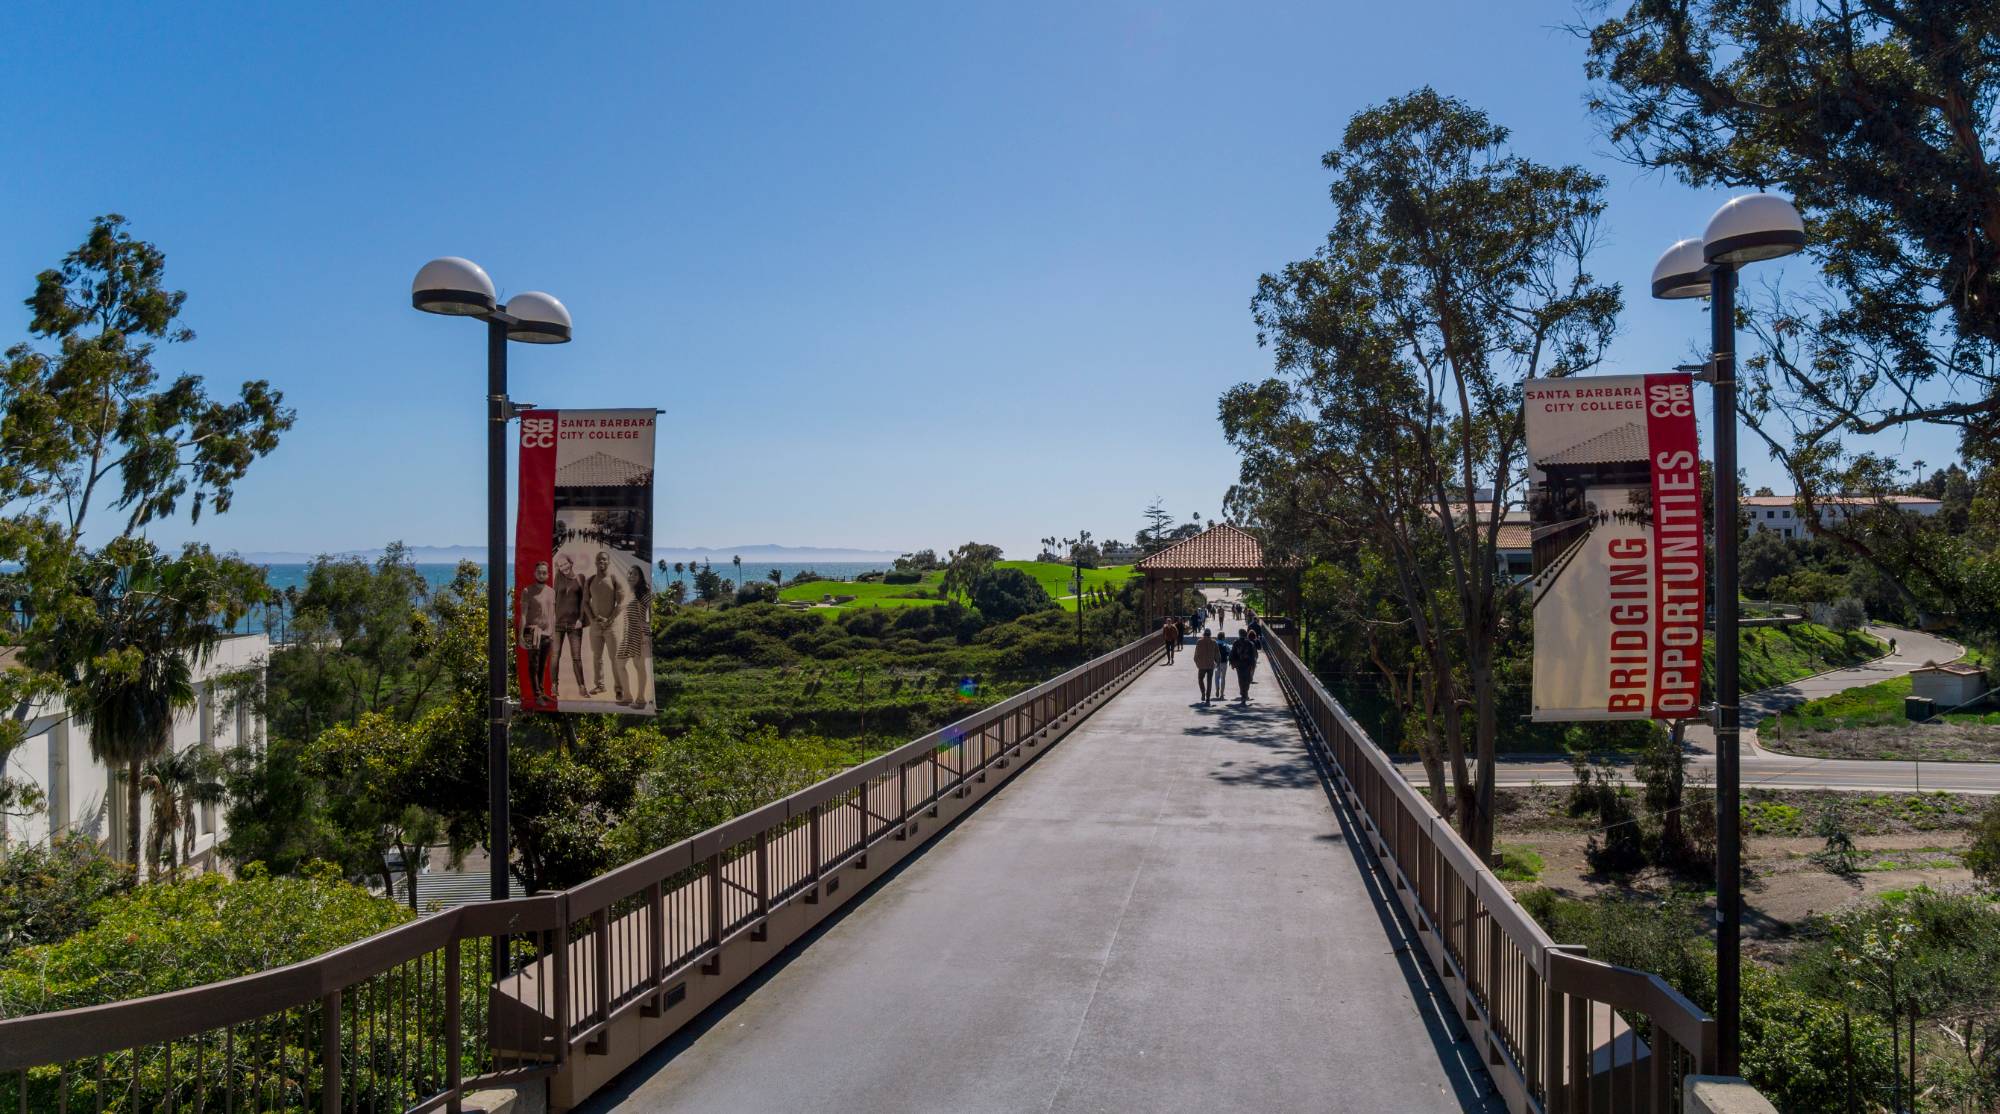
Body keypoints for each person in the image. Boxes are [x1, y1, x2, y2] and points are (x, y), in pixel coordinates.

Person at [584, 550, 629, 702]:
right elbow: (585, 602)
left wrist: (609, 620)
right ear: (595, 562)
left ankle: (619, 689)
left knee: (614, 658)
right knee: (597, 657)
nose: (601, 562)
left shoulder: (614, 579)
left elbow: (621, 603)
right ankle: (600, 685)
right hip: (596, 626)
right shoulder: (590, 580)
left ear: (608, 562)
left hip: (611, 626)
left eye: (604, 560)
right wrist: (592, 619)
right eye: (599, 560)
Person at [517, 561, 556, 704]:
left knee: (543, 665)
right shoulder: (528, 591)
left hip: (548, 634)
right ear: (535, 573)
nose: (542, 574)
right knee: (533, 664)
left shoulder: (552, 592)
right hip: (532, 632)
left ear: (548, 574)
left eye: (544, 572)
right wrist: (521, 635)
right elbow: (523, 614)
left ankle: (542, 691)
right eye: (539, 572)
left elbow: (552, 614)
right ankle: (537, 694)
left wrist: (553, 633)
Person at [551, 554, 587, 699]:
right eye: (560, 566)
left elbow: (584, 601)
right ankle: (554, 686)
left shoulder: (580, 578)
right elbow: (554, 599)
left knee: (576, 657)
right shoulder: (557, 578)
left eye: (565, 564)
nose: (564, 567)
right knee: (555, 656)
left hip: (574, 625)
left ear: (571, 563)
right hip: (558, 624)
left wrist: (581, 619)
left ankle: (582, 687)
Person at [619, 564, 652, 708]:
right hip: (627, 635)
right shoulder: (629, 593)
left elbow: (654, 612)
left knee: (639, 665)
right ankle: (627, 696)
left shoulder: (644, 594)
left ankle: (641, 699)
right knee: (619, 664)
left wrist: (645, 628)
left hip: (638, 634)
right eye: (630, 573)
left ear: (640, 578)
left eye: (635, 574)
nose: (631, 576)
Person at [1230, 627, 1259, 703]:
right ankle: (1245, 693)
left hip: (1239, 664)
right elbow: (1253, 655)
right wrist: (1253, 664)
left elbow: (1232, 653)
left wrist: (1232, 663)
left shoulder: (1236, 642)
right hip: (1248, 664)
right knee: (1247, 678)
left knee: (1241, 679)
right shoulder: (1250, 643)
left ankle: (1243, 693)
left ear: (1239, 634)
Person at [1193, 629, 1220, 704]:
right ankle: (1208, 698)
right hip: (1211, 665)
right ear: (1210, 634)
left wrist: (1197, 663)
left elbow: (1196, 654)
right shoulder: (1214, 642)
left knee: (1200, 679)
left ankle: (1203, 692)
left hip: (1201, 666)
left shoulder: (1199, 642)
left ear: (1204, 634)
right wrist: (1217, 663)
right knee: (1209, 681)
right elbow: (1217, 654)